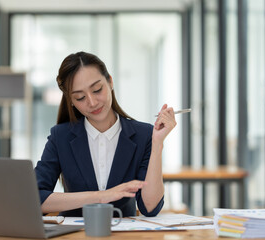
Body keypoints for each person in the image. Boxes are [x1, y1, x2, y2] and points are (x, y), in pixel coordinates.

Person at [35, 51, 176, 217]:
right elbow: (35, 198)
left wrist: (157, 143)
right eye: (80, 97)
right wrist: (101, 197)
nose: (92, 102)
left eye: (97, 89)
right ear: (71, 101)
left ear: (110, 81)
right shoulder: (61, 136)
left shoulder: (143, 135)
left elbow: (150, 207)